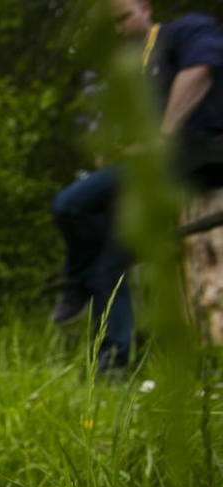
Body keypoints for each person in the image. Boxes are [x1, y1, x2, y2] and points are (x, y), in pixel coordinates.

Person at [50, 0, 223, 372]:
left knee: (70, 204)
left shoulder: (187, 30)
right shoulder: (135, 70)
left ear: (145, 8)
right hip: (150, 172)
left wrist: (163, 135)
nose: (120, 30)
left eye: (123, 19)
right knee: (108, 263)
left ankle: (76, 282)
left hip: (195, 158)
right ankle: (112, 366)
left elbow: (200, 71)